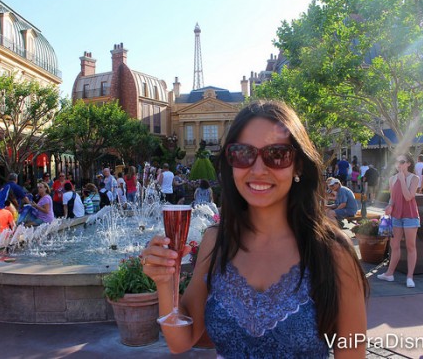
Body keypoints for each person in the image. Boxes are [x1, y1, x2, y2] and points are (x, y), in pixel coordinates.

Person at [141, 101, 367, 357]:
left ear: (299, 165)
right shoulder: (216, 241)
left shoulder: (333, 252)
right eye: (243, 153)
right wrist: (165, 282)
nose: (258, 170)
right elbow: (180, 341)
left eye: (277, 155)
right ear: (230, 163)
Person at [378, 153, 420, 288]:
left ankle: (410, 276)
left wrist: (402, 180)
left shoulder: (414, 178)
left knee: (410, 246)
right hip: (396, 215)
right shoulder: (392, 179)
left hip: (410, 215)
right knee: (394, 245)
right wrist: (389, 205)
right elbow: (392, 197)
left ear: (408, 163)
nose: (399, 165)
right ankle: (389, 273)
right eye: (397, 162)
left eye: (402, 162)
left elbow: (409, 197)